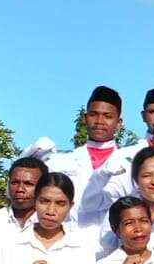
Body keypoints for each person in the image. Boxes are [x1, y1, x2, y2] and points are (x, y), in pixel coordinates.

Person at [48, 85, 130, 241]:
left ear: (119, 123)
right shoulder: (62, 162)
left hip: (114, 246)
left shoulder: (129, 164)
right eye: (94, 114)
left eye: (108, 116)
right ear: (85, 118)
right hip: (68, 241)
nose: (99, 121)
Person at [0, 155, 46, 249]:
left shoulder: (50, 225)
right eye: (15, 183)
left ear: (43, 187)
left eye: (28, 184)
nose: (20, 189)